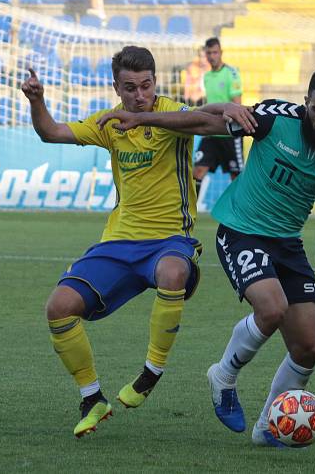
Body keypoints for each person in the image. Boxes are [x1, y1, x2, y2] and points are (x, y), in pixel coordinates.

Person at [101, 66, 315, 447]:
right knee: (271, 308)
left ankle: (269, 427)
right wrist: (140, 117)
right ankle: (223, 375)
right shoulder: (273, 119)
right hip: (242, 229)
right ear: (306, 103)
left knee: (309, 346)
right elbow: (204, 123)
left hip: (287, 244)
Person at [20, 46, 251, 439]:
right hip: (119, 242)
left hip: (170, 240)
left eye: (146, 85)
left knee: (173, 272)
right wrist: (38, 101)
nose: (139, 95)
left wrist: (222, 105)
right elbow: (51, 132)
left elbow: (211, 122)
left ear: (155, 83)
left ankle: (151, 373)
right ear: (116, 87)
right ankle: (92, 397)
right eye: (130, 88)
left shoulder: (171, 114)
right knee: (59, 307)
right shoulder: (110, 123)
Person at [193, 37, 244, 199]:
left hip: (229, 132)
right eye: (209, 53)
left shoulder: (232, 73)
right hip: (211, 132)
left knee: (236, 176)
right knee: (198, 170)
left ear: (221, 53)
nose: (212, 56)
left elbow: (237, 104)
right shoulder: (207, 77)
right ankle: (190, 210)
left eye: (215, 52)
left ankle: (238, 211)